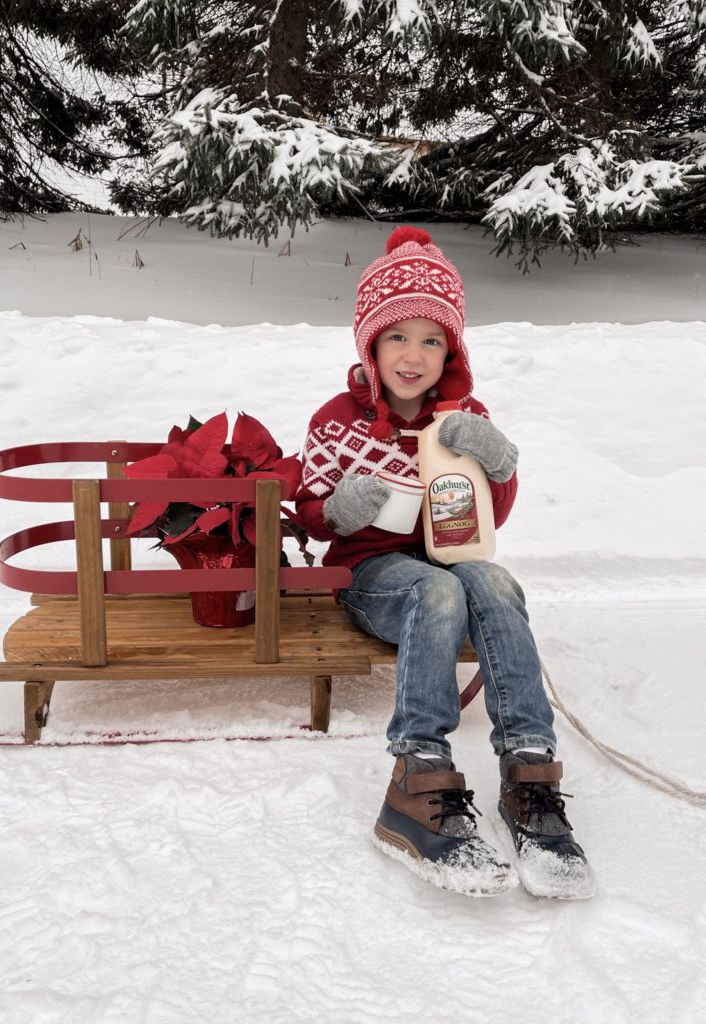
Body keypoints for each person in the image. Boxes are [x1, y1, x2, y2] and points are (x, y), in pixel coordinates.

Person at [295, 226, 593, 899]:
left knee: (493, 579)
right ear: (371, 342)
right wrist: (339, 509)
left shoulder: (464, 416)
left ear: (451, 349)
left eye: (433, 339)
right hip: (372, 577)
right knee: (434, 591)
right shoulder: (336, 419)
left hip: (454, 558)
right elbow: (308, 515)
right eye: (398, 336)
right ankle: (417, 773)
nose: (414, 354)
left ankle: (529, 775)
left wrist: (499, 462)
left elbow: (493, 519)